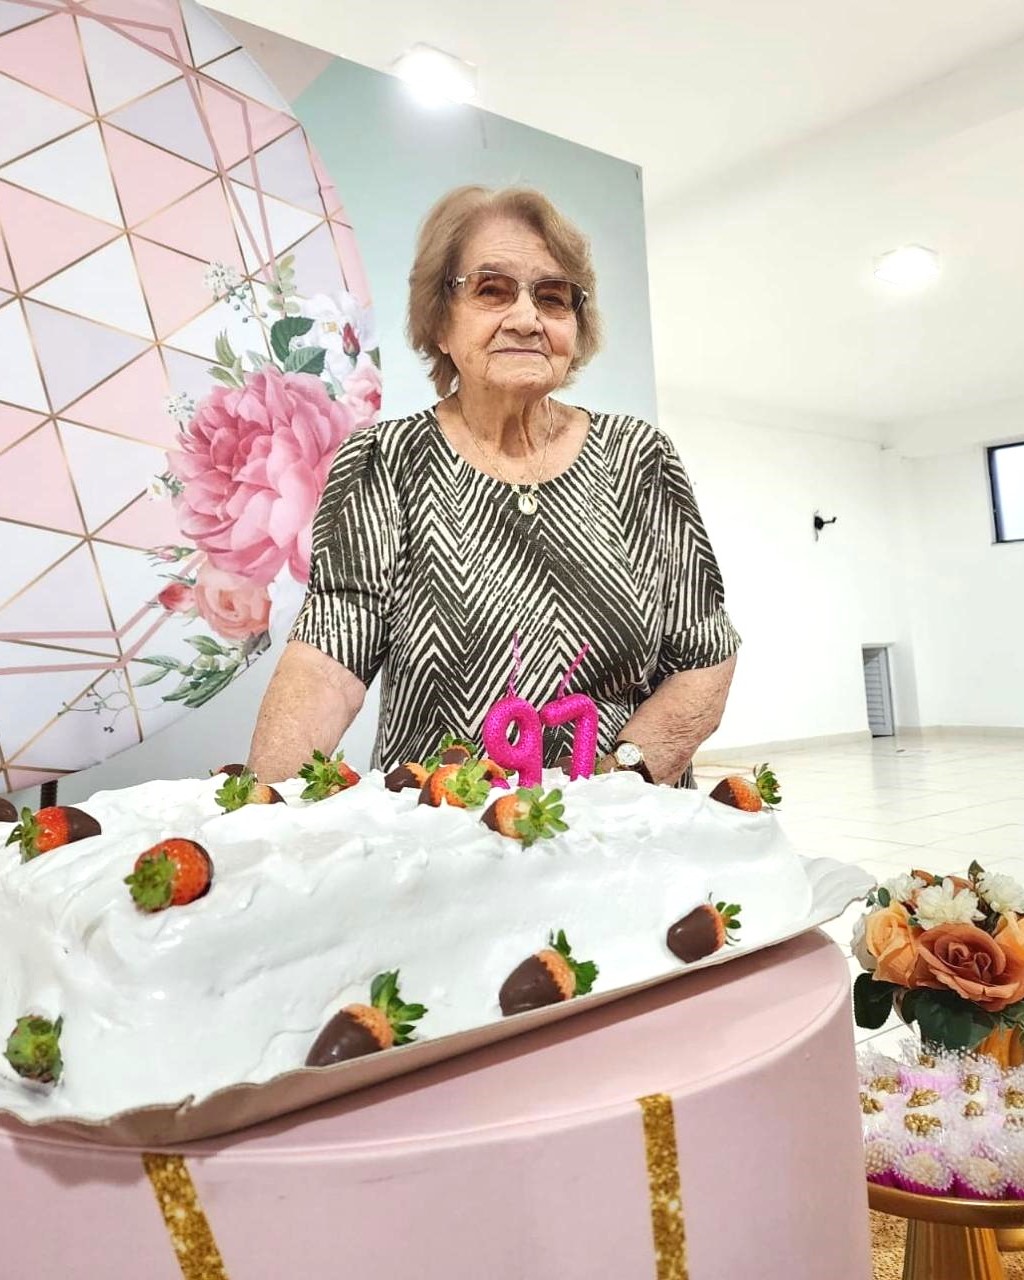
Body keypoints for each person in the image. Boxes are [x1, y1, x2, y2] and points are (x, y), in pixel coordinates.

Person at [248, 185, 740, 786]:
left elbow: (704, 656)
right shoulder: (386, 460)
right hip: (444, 822)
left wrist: (620, 786)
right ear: (440, 322)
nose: (527, 319)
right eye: (491, 290)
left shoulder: (639, 457)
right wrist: (261, 808)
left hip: (631, 821)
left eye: (553, 298)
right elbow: (328, 661)